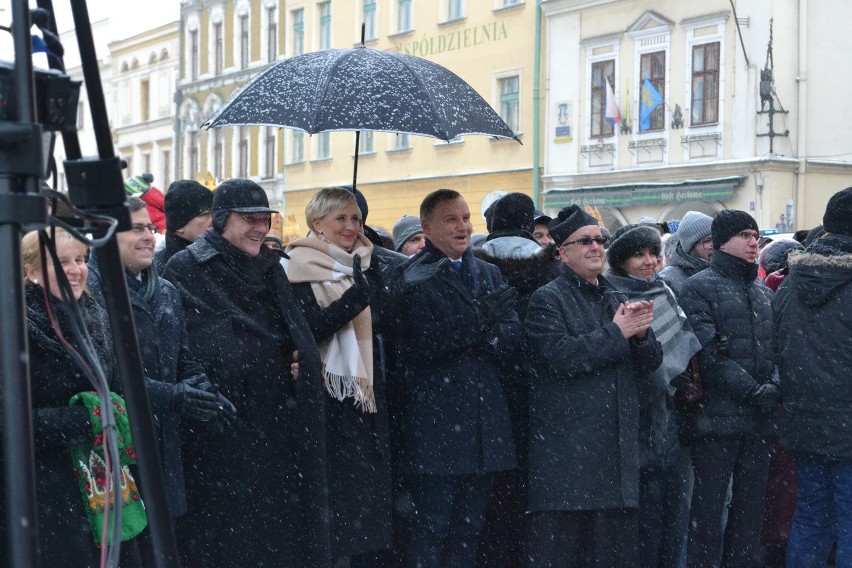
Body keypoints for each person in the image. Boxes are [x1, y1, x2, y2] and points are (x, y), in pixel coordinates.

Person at [162, 178, 332, 567]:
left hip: (276, 422)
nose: (260, 228)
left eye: (265, 219)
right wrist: (263, 358)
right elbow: (188, 347)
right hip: (221, 428)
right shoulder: (186, 267)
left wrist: (297, 360)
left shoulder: (271, 267)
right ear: (222, 220)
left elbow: (293, 333)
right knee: (226, 538)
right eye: (250, 219)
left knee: (276, 534)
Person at [87, 197, 235, 553]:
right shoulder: (89, 291)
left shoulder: (165, 289)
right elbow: (104, 375)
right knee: (127, 549)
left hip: (165, 448)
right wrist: (172, 396)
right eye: (137, 228)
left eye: (151, 228)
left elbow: (184, 357)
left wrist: (203, 390)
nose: (149, 237)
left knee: (164, 546)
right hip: (118, 447)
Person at [524, 206, 662, 567]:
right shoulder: (547, 299)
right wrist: (617, 334)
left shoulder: (615, 293)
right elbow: (559, 357)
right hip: (570, 459)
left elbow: (649, 365)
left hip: (616, 456)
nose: (596, 247)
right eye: (584, 241)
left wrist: (643, 338)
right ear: (562, 253)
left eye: (600, 240)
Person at [390, 189, 521, 568]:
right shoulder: (412, 275)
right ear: (427, 228)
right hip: (437, 424)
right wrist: (477, 322)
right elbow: (417, 346)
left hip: (484, 422)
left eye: (466, 218)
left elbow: (514, 337)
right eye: (451, 219)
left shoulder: (489, 272)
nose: (463, 227)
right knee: (432, 526)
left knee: (470, 528)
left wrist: (495, 334)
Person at [0, 228, 142, 567]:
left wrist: (120, 412)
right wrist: (84, 419)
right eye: (61, 262)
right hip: (45, 494)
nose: (75, 269)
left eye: (79, 259)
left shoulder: (96, 316)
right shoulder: (13, 327)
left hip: (104, 485)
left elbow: (120, 389)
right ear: (31, 272)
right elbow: (11, 422)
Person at [284, 187, 393, 563]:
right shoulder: (296, 265)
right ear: (318, 224)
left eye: (356, 219)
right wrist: (354, 299)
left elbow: (384, 327)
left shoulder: (365, 262)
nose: (351, 227)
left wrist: (369, 291)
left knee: (364, 513)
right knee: (335, 512)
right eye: (341, 219)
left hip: (366, 402)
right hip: (326, 403)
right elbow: (306, 330)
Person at [678, 210, 780, 567]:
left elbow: (778, 348)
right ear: (721, 242)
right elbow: (707, 355)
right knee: (707, 514)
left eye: (756, 236)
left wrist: (774, 385)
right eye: (745, 235)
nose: (754, 243)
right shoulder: (698, 287)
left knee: (750, 514)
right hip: (716, 422)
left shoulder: (761, 292)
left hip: (758, 422)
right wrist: (754, 391)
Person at [604, 225, 702, 568]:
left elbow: (682, 344)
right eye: (638, 255)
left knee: (670, 506)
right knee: (641, 508)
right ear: (620, 262)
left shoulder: (664, 290)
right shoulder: (613, 295)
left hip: (670, 413)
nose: (648, 262)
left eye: (652, 253)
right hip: (636, 415)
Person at [774, 187, 852, 567]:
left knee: (811, 518)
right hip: (845, 424)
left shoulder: (791, 282)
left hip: (805, 421)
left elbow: (780, 348)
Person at [153, 179, 213, 272]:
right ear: (179, 227)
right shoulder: (164, 270)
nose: (213, 220)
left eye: (214, 213)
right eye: (204, 214)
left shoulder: (220, 257)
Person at [658, 211, 714, 295]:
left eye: (716, 238)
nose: (713, 245)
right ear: (690, 247)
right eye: (706, 241)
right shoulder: (668, 279)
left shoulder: (727, 268)